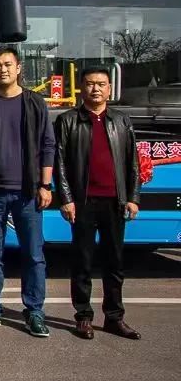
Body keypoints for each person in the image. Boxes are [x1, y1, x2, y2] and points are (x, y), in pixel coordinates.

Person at [0, 47, 55, 337]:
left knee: (33, 254)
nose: (2, 69)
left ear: (19, 68)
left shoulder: (34, 102)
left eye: (8, 64)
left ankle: (34, 311)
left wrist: (45, 185)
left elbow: (47, 144)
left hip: (28, 192)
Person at [55, 67, 141, 341]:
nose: (96, 89)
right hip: (83, 202)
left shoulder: (121, 121)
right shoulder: (68, 120)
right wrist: (66, 199)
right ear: (81, 88)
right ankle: (83, 316)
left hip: (115, 202)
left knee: (114, 262)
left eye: (101, 84)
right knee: (82, 261)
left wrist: (133, 198)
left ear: (109, 88)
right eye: (90, 84)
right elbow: (59, 163)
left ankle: (115, 317)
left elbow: (133, 162)